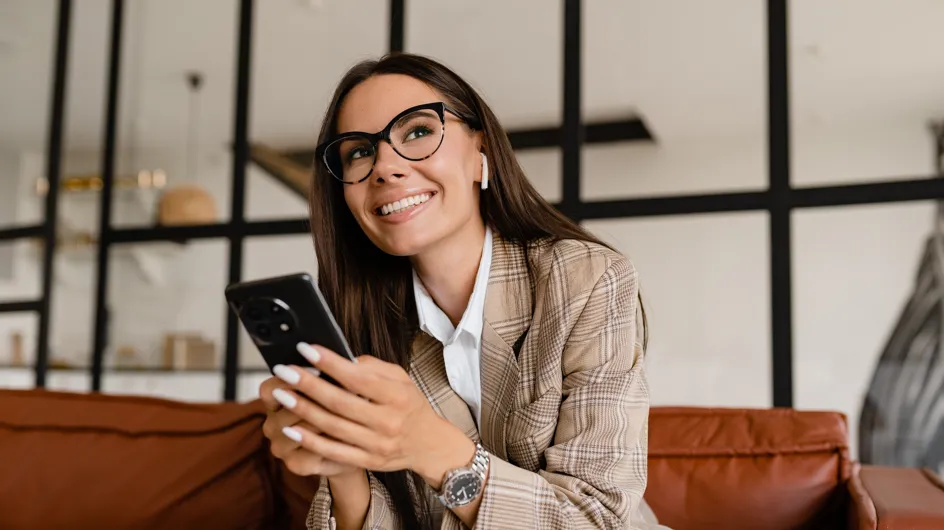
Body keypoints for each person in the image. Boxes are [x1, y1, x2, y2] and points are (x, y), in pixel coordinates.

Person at [258, 52, 663, 530]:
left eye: (417, 132)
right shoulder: (360, 321)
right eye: (359, 152)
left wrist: (430, 446)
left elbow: (598, 520)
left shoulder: (586, 279)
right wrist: (345, 467)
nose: (384, 167)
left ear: (480, 153)